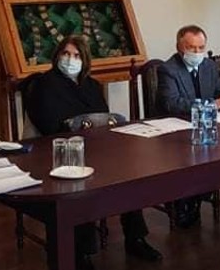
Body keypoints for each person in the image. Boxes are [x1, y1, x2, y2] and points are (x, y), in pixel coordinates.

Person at [28, 36, 162, 270]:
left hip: (97, 147)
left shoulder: (91, 85)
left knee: (126, 174)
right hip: (61, 152)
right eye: (66, 54)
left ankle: (135, 238)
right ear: (57, 56)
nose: (70, 60)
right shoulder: (44, 85)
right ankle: (81, 253)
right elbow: (48, 125)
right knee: (83, 185)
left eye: (76, 55)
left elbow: (104, 118)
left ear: (85, 60)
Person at [156, 25, 220, 227]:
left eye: (201, 48)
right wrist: (211, 104)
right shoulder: (168, 69)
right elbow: (172, 103)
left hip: (205, 127)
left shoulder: (208, 66)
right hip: (176, 131)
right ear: (179, 47)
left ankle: (199, 195)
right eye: (191, 48)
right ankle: (186, 202)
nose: (197, 53)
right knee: (192, 158)